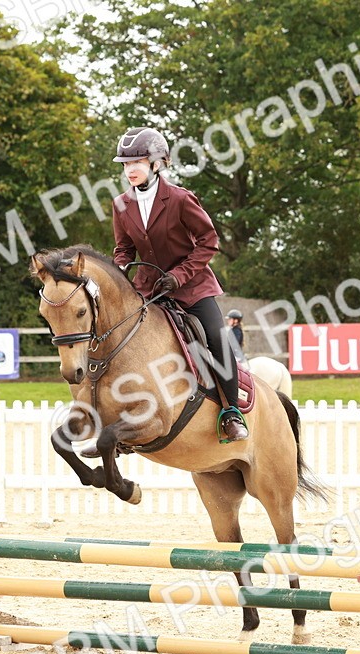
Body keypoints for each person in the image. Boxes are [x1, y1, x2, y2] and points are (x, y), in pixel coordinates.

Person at [110, 125, 248, 443]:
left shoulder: (181, 199)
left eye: (138, 162)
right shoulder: (120, 205)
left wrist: (180, 275)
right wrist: (119, 274)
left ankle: (231, 414)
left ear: (157, 164)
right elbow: (124, 249)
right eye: (126, 164)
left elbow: (208, 240)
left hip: (192, 287)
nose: (130, 169)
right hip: (148, 289)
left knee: (217, 339)